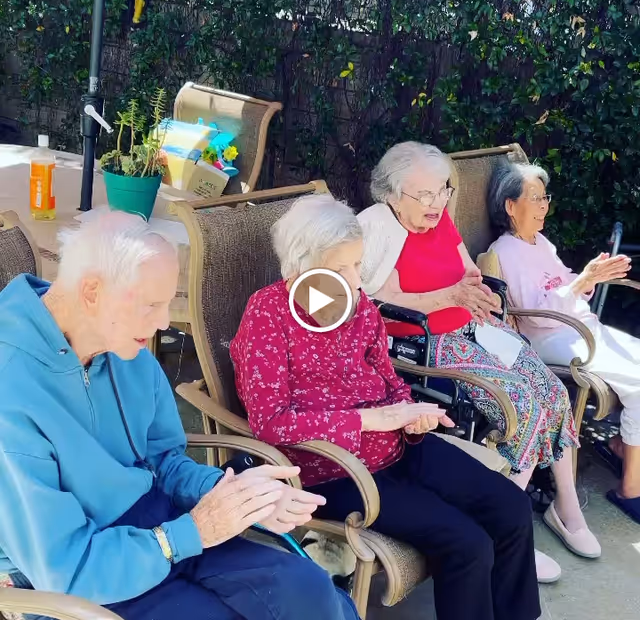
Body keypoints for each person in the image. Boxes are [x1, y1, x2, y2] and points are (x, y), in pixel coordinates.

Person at [0, 211, 358, 620]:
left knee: (309, 590)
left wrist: (238, 495)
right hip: (87, 575)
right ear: (92, 292)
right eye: (152, 304)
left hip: (160, 522)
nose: (164, 322)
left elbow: (165, 461)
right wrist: (190, 533)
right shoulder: (11, 390)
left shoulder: (122, 348)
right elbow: (66, 570)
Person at [230, 194, 541, 620]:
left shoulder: (358, 308)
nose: (356, 282)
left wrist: (411, 414)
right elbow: (270, 424)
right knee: (467, 543)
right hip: (333, 469)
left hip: (399, 446)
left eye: (358, 265)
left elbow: (389, 378)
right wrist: (371, 419)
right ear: (301, 266)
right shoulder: (267, 314)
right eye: (341, 269)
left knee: (512, 507)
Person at [357, 141, 601, 580]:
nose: (438, 203)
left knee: (550, 390)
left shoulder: (440, 221)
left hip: (473, 328)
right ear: (391, 195)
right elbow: (380, 303)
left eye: (443, 191)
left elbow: (468, 270)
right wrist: (448, 297)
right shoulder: (377, 228)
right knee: (522, 403)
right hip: (427, 345)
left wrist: (480, 292)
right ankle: (508, 531)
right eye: (425, 195)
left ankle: (566, 508)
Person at [487, 158, 640, 524]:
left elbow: (563, 283)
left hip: (580, 327)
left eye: (545, 197)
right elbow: (533, 314)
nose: (544, 206)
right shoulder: (503, 251)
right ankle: (630, 489)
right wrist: (579, 283)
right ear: (510, 206)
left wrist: (589, 276)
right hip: (552, 337)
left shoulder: (541, 242)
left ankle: (621, 445)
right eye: (535, 198)